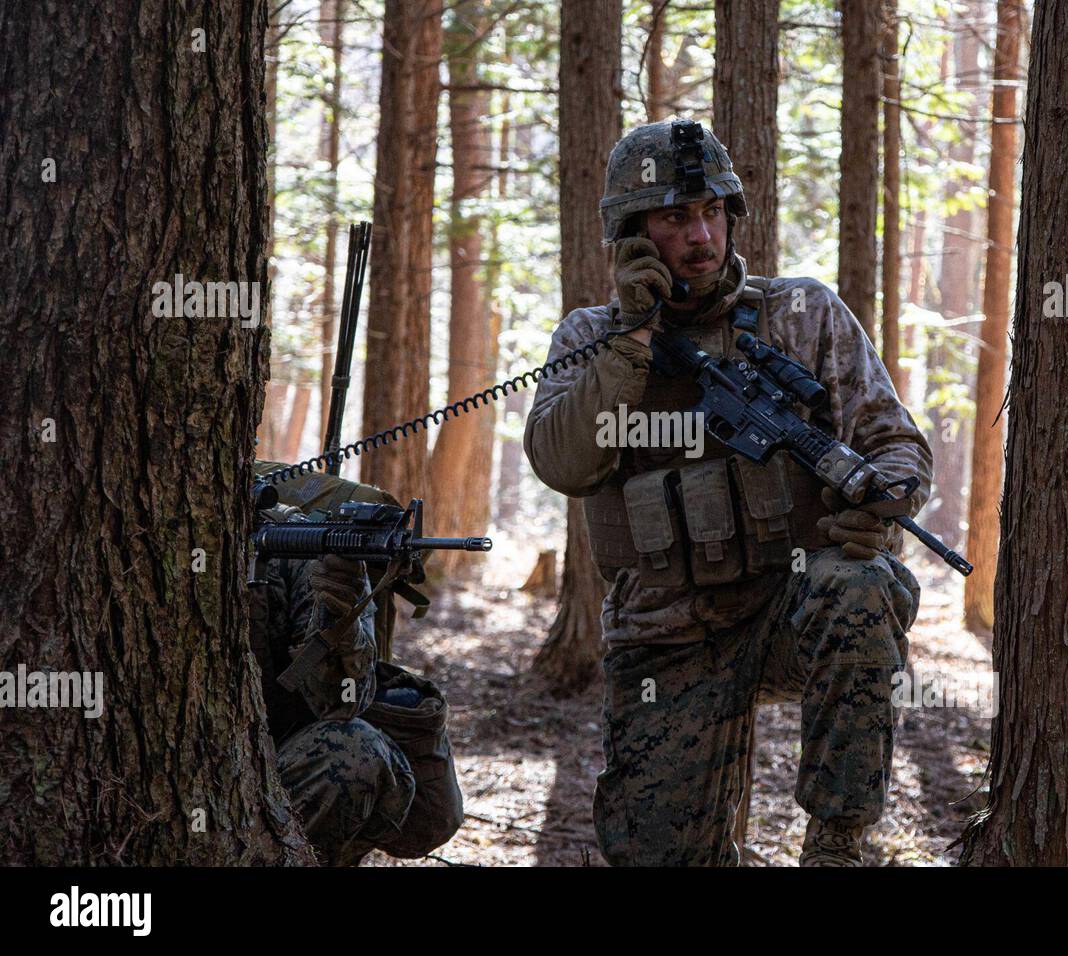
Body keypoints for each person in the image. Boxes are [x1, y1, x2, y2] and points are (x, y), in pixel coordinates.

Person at [524, 118, 933, 866]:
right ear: (632, 235)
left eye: (711, 211)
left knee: (861, 585)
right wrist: (631, 341)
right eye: (676, 217)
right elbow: (563, 463)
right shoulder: (590, 337)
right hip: (665, 634)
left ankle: (839, 845)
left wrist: (885, 501)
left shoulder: (801, 315)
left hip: (789, 607)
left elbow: (896, 441)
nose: (702, 235)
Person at [249, 492, 462, 865]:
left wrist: (338, 612)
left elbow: (347, 700)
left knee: (355, 750)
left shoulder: (301, 542)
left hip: (270, 769)